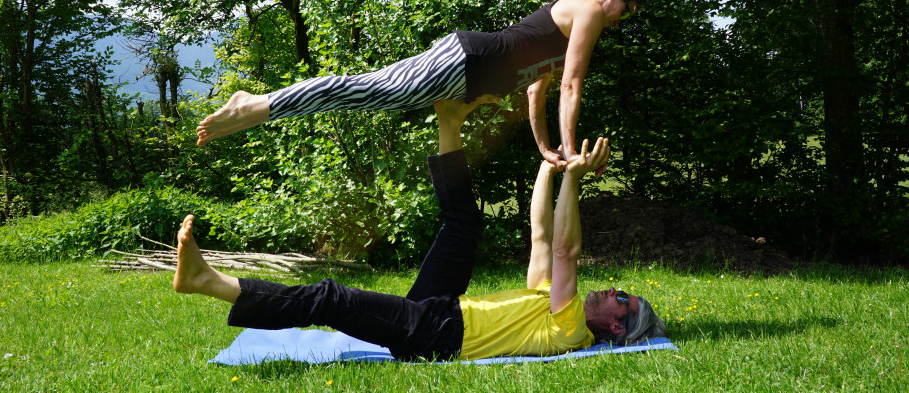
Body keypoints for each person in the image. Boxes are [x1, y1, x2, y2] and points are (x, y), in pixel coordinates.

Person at [175, 97, 665, 361]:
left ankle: (209, 284)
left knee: (331, 297)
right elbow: (541, 238)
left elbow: (565, 251)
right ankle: (447, 121)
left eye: (624, 300)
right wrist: (549, 166)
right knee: (463, 226)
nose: (615, 291)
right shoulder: (559, 306)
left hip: (435, 336)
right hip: (444, 310)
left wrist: (575, 181)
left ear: (617, 327)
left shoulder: (571, 328)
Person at [195, 0, 638, 167]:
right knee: (363, 91)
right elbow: (571, 85)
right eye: (625, 14)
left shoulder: (566, 28)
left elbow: (537, 88)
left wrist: (545, 147)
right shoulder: (589, 10)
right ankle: (256, 103)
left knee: (364, 95)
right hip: (465, 61)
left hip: (464, 70)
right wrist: (571, 147)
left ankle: (259, 107)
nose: (618, 23)